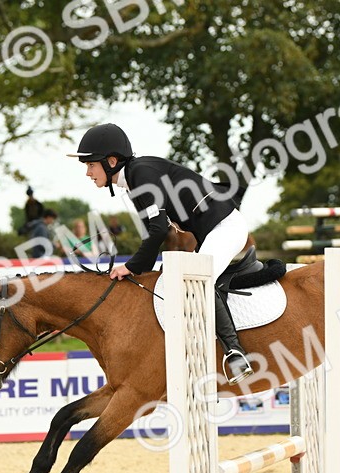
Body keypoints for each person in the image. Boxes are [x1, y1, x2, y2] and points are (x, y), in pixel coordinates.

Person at [68, 122, 253, 383]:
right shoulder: (132, 181)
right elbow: (153, 233)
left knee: (198, 281)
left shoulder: (141, 174)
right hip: (210, 231)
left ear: (111, 161)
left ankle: (235, 353)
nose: (88, 173)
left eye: (90, 165)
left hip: (225, 227)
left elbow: (157, 231)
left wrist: (131, 266)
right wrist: (139, 269)